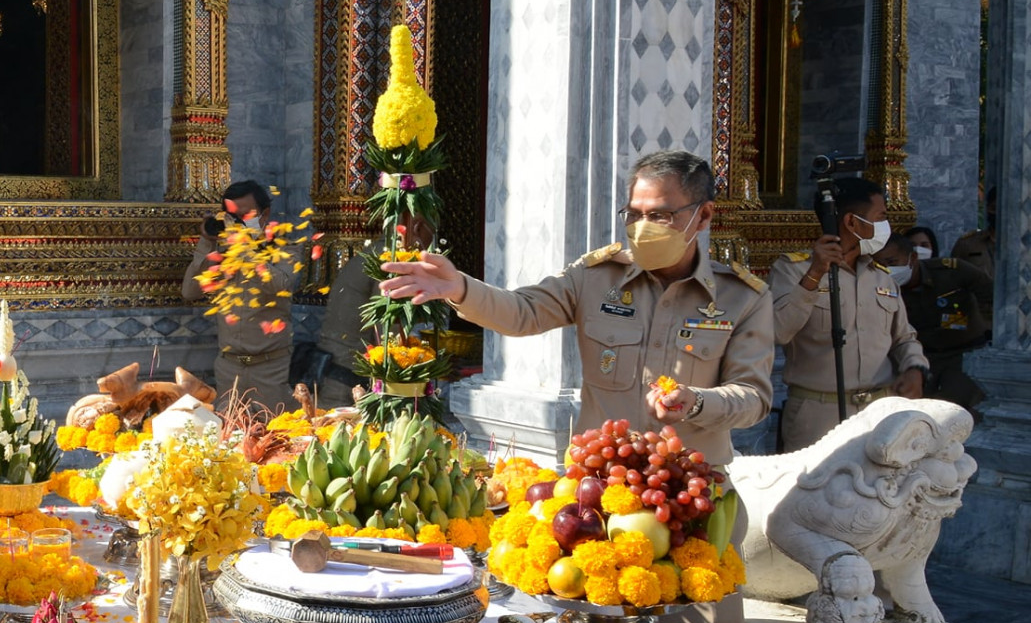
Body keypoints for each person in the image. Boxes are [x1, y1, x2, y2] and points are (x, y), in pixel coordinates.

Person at [374, 151, 774, 465]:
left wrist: (698, 401)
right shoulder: (596, 276)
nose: (642, 226)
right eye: (633, 214)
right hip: (601, 482)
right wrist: (459, 288)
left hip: (689, 488)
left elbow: (753, 398)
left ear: (703, 216)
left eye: (660, 215)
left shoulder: (742, 297)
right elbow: (523, 311)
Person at [768, 177, 927, 451]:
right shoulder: (792, 270)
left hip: (880, 412)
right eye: (881, 217)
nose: (885, 226)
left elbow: (904, 337)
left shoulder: (881, 276)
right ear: (853, 223)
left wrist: (915, 368)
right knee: (813, 492)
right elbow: (778, 331)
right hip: (817, 415)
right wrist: (815, 274)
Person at [181, 180, 312, 416]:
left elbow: (282, 284)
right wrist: (207, 242)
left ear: (265, 214)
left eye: (247, 216)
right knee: (229, 440)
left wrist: (246, 250)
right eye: (234, 217)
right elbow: (190, 291)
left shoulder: (283, 247)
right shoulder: (222, 253)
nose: (240, 223)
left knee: (278, 437)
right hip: (230, 369)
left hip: (272, 368)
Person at [877, 232, 993, 414]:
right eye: (880, 265)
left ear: (912, 258)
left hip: (962, 354)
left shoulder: (951, 272)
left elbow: (994, 296)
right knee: (916, 409)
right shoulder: (881, 287)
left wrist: (986, 326)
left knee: (951, 410)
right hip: (922, 357)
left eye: (892, 263)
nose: (887, 270)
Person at [949, 186, 997, 279]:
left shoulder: (1024, 246)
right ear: (988, 209)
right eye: (994, 208)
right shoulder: (968, 244)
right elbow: (952, 279)